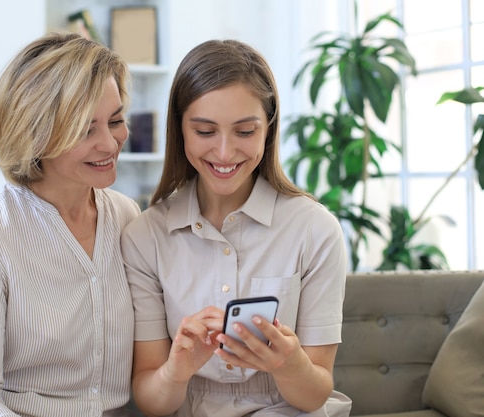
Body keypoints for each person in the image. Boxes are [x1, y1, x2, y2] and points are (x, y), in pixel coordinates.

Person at [121, 39, 352, 417]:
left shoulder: (315, 230)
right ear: (180, 130)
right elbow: (152, 402)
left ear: (268, 130)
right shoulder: (145, 236)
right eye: (205, 132)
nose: (225, 153)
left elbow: (313, 396)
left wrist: (290, 365)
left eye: (245, 132)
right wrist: (175, 372)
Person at [0, 32, 141, 417]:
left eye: (115, 120)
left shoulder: (127, 216)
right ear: (35, 134)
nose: (110, 143)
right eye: (86, 130)